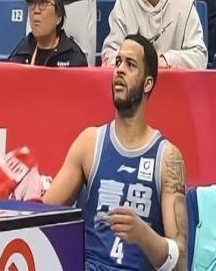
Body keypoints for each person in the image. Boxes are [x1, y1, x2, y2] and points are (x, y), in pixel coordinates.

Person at [43, 34, 188, 271]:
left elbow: (180, 262)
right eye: (118, 62)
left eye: (130, 65)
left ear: (147, 84)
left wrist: (143, 235)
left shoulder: (167, 158)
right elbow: (42, 217)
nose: (119, 70)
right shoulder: (89, 143)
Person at [9, 0, 88, 67]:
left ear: (58, 16)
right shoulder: (20, 54)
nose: (36, 10)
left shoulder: (74, 58)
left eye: (44, 3)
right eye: (32, 3)